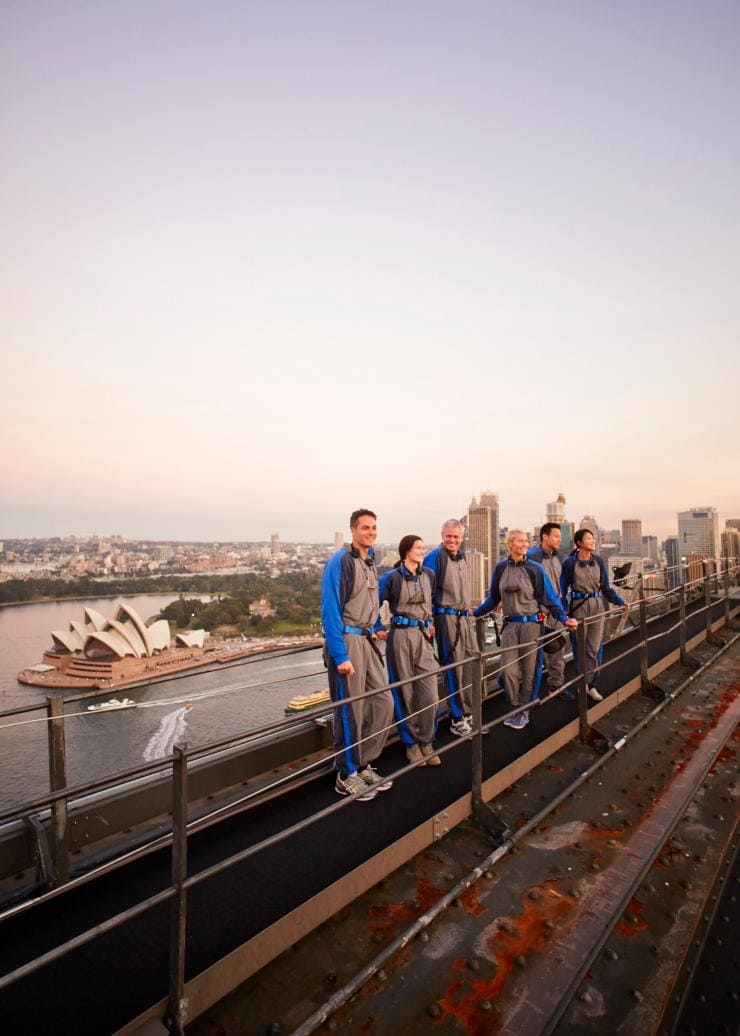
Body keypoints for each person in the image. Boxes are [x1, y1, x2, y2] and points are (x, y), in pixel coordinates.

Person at [321, 509, 395, 802]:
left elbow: (370, 604)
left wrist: (376, 627)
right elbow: (330, 611)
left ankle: (363, 762)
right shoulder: (340, 562)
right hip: (348, 642)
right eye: (365, 527)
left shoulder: (369, 562)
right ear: (352, 530)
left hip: (367, 640)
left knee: (383, 701)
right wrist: (340, 655)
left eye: (374, 527)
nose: (371, 532)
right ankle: (346, 774)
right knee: (351, 710)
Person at [474, 530, 576, 729]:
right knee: (507, 672)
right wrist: (475, 613)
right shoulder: (501, 568)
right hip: (510, 627)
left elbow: (549, 598)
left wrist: (564, 619)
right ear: (509, 545)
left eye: (526, 541)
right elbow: (494, 598)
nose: (523, 544)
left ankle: (523, 709)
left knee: (530, 671)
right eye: (519, 541)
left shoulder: (535, 569)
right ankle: (514, 705)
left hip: (532, 626)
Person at [378, 535, 441, 767]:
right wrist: (376, 626)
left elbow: (430, 604)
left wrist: (430, 621)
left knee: (430, 694)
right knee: (403, 691)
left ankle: (427, 740)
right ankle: (411, 744)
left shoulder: (428, 576)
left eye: (423, 547)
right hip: (400, 637)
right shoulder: (391, 578)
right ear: (406, 551)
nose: (422, 551)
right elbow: (372, 601)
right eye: (418, 548)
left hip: (423, 637)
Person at [560, 528, 629, 702]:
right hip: (578, 607)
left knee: (595, 648)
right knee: (579, 649)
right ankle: (583, 684)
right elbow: (562, 590)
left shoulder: (598, 560)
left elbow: (605, 586)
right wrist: (564, 614)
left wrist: (620, 601)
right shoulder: (569, 563)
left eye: (593, 538)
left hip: (597, 605)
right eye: (589, 538)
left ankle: (591, 685)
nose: (593, 541)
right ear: (579, 543)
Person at [424, 519, 476, 737]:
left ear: (462, 538)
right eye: (448, 536)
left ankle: (465, 710)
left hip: (464, 618)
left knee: (469, 664)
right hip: (446, 618)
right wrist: (429, 620)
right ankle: (456, 717)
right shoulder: (435, 557)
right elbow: (426, 591)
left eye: (456, 536)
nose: (452, 540)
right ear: (442, 535)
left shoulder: (462, 558)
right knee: (453, 667)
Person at [527, 523, 571, 700]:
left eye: (560, 536)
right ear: (544, 537)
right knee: (533, 656)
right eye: (556, 536)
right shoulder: (532, 557)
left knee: (557, 651)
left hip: (557, 611)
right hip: (538, 614)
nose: (559, 539)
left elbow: (564, 584)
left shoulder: (561, 557)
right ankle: (529, 694)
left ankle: (556, 687)